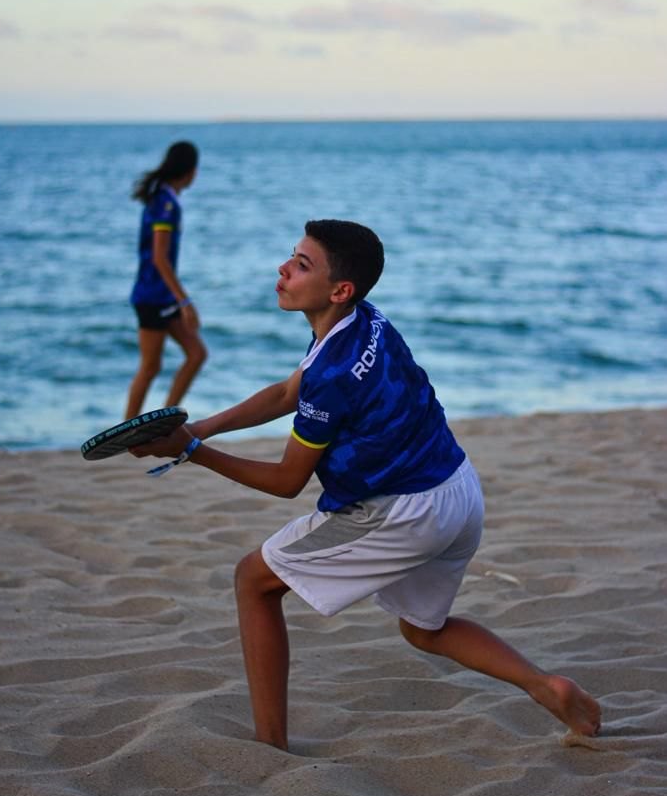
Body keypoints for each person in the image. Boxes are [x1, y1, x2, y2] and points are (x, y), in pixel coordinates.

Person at [129, 219, 601, 752]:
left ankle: (269, 745)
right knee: (423, 629)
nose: (283, 269)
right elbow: (290, 390)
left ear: (339, 289)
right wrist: (202, 427)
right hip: (458, 489)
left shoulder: (333, 375)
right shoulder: (366, 321)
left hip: (403, 513)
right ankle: (547, 685)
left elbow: (287, 481)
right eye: (291, 256)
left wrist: (191, 452)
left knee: (254, 582)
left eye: (302, 265)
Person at [125, 140, 207, 418]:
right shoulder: (165, 204)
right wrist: (185, 301)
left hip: (162, 296)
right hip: (151, 296)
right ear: (190, 170)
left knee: (196, 354)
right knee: (150, 367)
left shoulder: (165, 198)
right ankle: (126, 428)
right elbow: (159, 258)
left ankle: (165, 418)